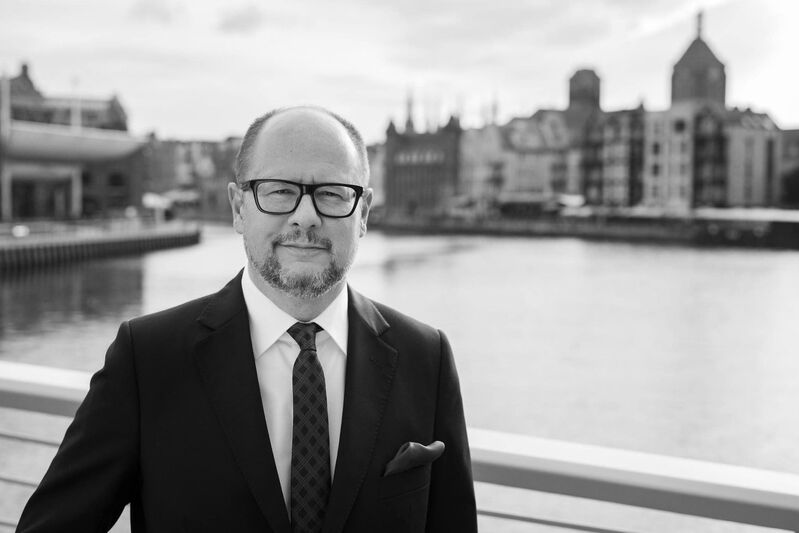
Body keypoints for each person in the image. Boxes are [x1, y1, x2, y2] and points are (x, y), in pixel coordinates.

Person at [16, 106, 477, 533]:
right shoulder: (148, 359)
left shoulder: (426, 358)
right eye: (280, 191)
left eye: (333, 194)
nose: (305, 218)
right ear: (239, 207)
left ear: (363, 213)